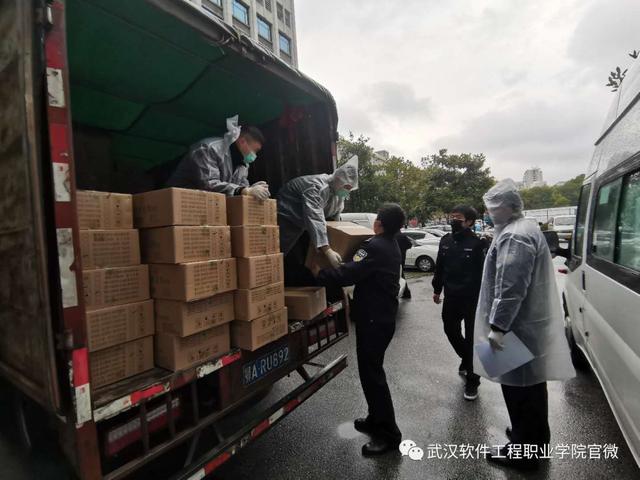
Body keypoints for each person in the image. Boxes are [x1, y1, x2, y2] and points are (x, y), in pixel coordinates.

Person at [474, 179, 575, 471]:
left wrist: (498, 327)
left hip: (515, 329)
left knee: (519, 390)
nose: (489, 213)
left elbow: (510, 289)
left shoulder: (514, 236)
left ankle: (524, 453)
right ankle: (531, 438)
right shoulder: (524, 227)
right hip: (526, 326)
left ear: (505, 207)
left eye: (491, 208)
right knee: (530, 389)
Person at [315, 203, 405, 456]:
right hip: (381, 318)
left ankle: (389, 435)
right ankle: (375, 418)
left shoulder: (374, 246)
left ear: (379, 223)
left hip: (374, 320)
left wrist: (316, 275)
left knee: (373, 375)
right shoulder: (391, 243)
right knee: (370, 372)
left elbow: (347, 274)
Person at [432, 205, 486, 401]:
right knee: (450, 330)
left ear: (469, 221)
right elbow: (440, 267)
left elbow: (484, 273)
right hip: (451, 296)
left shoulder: (478, 243)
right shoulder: (445, 241)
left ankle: (473, 380)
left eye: (458, 217)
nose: (453, 220)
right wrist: (437, 289)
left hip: (472, 299)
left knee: (472, 338)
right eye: (452, 216)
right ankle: (467, 357)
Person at [277, 156, 358, 269]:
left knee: (295, 254)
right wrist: (328, 250)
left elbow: (336, 222)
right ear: (339, 179)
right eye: (346, 187)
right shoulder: (316, 187)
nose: (347, 191)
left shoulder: (338, 195)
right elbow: (315, 218)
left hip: (301, 224)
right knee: (278, 251)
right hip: (286, 217)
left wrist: (337, 241)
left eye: (350, 188)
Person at [167, 115, 270, 199]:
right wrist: (244, 190)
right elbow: (208, 184)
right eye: (255, 150)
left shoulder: (243, 164)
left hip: (207, 205)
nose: (255, 155)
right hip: (179, 201)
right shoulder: (208, 149)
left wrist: (251, 189)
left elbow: (241, 187)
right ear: (243, 142)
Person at [395, 232, 413, 299]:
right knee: (400, 274)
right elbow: (410, 245)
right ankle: (406, 293)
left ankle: (406, 293)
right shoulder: (403, 236)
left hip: (395, 258)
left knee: (400, 275)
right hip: (402, 258)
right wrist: (403, 248)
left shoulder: (392, 236)